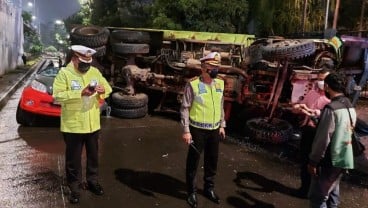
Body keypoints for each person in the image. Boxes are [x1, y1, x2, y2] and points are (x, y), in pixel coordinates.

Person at [53, 45, 112, 204]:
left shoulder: (94, 72)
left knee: (93, 157)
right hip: (73, 126)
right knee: (73, 160)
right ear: (74, 59)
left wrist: (101, 91)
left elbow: (108, 88)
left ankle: (92, 182)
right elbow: (57, 96)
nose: (87, 66)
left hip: (92, 125)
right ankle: (75, 188)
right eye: (83, 63)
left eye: (89, 63)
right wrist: (79, 93)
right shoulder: (64, 74)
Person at [180, 51, 226, 208]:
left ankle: (209, 189)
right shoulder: (192, 84)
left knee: (212, 161)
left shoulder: (220, 83)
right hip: (197, 130)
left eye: (217, 67)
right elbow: (185, 108)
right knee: (193, 162)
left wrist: (222, 125)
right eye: (212, 66)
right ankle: (191, 192)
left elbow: (220, 105)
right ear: (203, 67)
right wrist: (186, 130)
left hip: (214, 130)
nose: (215, 69)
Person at [308, 72, 356, 208]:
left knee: (318, 197)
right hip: (343, 157)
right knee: (333, 194)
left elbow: (323, 140)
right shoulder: (349, 105)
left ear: (327, 86)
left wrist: (313, 161)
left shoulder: (331, 108)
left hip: (329, 160)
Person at [292, 69, 331, 198]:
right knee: (304, 161)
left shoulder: (330, 100)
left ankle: (317, 192)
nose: (321, 82)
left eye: (323, 79)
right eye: (319, 79)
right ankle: (304, 189)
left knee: (318, 163)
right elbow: (302, 106)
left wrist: (311, 111)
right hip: (308, 130)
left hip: (321, 133)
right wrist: (298, 107)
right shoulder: (312, 93)